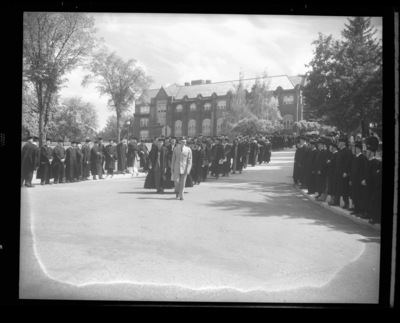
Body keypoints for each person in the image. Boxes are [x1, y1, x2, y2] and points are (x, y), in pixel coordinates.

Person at [361, 137, 381, 223]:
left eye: (368, 151)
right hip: (365, 183)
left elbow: (373, 175)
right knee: (365, 198)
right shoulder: (366, 161)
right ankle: (365, 212)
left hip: (371, 184)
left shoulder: (376, 162)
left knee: (370, 200)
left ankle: (369, 214)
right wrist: (363, 180)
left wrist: (367, 181)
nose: (366, 152)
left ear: (372, 152)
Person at [349, 141, 368, 216]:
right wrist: (350, 179)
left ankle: (360, 210)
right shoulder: (354, 157)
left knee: (359, 195)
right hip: (354, 179)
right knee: (354, 194)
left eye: (356, 148)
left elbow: (364, 170)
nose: (354, 149)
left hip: (359, 180)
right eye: (354, 148)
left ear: (359, 149)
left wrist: (362, 179)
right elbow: (351, 169)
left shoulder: (363, 157)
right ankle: (355, 209)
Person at [335, 136, 353, 209]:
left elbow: (348, 162)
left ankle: (346, 203)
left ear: (343, 143)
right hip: (339, 172)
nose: (338, 144)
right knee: (339, 188)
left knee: (344, 189)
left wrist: (346, 171)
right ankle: (337, 201)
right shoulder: (340, 151)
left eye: (339, 142)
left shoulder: (347, 151)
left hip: (344, 173)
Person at [327, 138, 339, 206]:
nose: (330, 148)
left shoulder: (337, 154)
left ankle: (334, 200)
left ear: (334, 147)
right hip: (331, 173)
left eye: (331, 147)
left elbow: (334, 164)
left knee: (334, 187)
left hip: (334, 174)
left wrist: (329, 162)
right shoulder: (332, 154)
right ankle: (332, 199)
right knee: (331, 187)